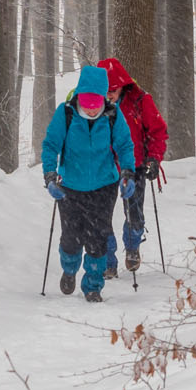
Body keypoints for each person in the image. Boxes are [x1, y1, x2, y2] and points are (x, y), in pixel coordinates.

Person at [40, 63, 136, 302]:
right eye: (87, 105)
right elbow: (51, 145)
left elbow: (125, 145)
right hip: (70, 185)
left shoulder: (113, 115)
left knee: (98, 237)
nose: (92, 111)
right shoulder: (66, 113)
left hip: (104, 186)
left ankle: (93, 285)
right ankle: (70, 267)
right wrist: (50, 175)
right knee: (71, 236)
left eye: (96, 105)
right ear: (79, 97)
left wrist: (127, 173)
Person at [96, 57, 169, 277]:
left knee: (134, 213)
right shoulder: (90, 104)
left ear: (123, 86)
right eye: (105, 90)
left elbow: (157, 131)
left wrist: (154, 159)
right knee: (101, 216)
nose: (109, 95)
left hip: (135, 165)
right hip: (103, 167)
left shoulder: (140, 101)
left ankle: (133, 246)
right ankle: (107, 260)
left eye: (114, 90)